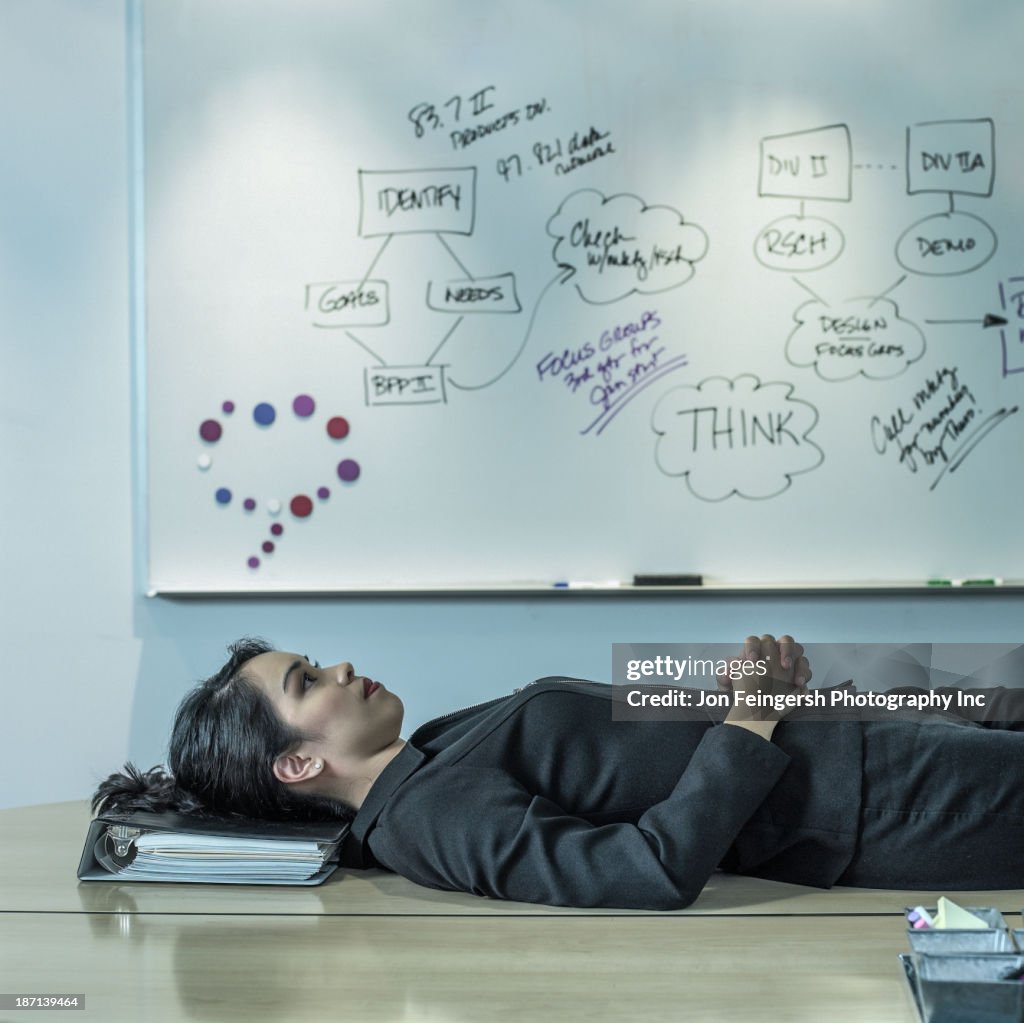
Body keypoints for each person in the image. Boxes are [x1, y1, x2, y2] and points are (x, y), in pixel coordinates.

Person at [94, 634, 1024, 910]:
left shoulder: (431, 756)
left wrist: (750, 692)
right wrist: (749, 712)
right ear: (297, 761)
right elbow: (646, 870)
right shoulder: (428, 818)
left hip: (849, 732)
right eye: (307, 681)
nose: (338, 667)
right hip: (873, 798)